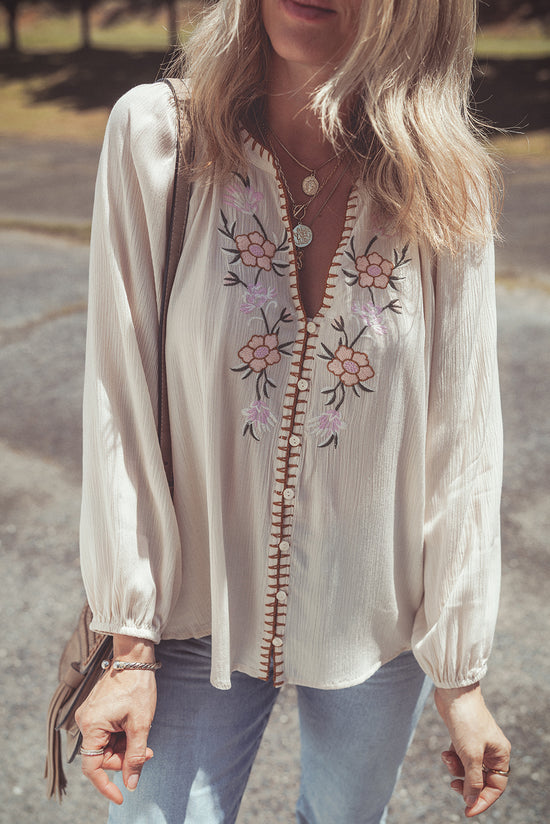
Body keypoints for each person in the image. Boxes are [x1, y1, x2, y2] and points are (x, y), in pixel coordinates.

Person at [75, 0, 511, 821]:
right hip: (185, 615)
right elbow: (116, 403)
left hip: (376, 630)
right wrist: (126, 644)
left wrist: (460, 675)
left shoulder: (451, 185)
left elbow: (466, 445)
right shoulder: (157, 138)